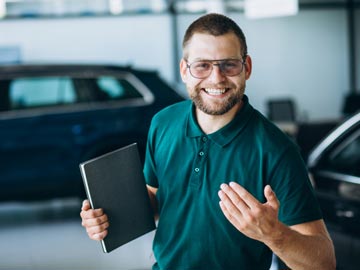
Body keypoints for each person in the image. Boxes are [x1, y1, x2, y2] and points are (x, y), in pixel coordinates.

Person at [80, 13, 336, 270]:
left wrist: (273, 234)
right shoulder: (163, 122)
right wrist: (107, 217)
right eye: (202, 65)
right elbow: (158, 199)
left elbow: (323, 263)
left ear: (246, 68)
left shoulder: (276, 150)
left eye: (228, 65)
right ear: (184, 70)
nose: (216, 78)